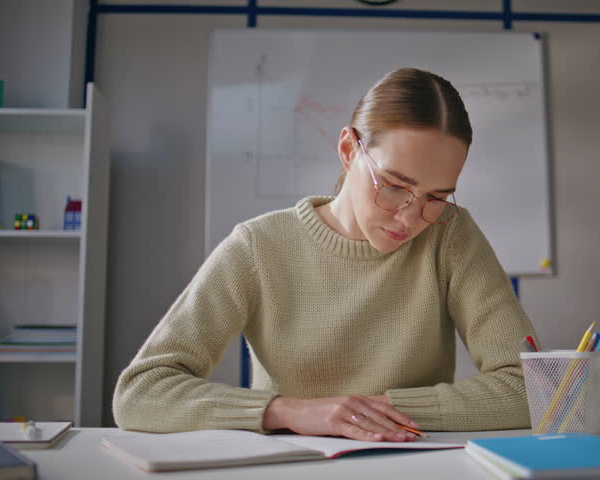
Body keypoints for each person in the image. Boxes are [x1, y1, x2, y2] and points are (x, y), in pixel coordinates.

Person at [113, 67, 538, 442]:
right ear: (349, 149)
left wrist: (368, 413)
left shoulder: (451, 235)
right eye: (393, 185)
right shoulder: (259, 246)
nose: (410, 219)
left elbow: (531, 387)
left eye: (436, 197)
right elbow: (141, 392)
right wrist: (289, 412)